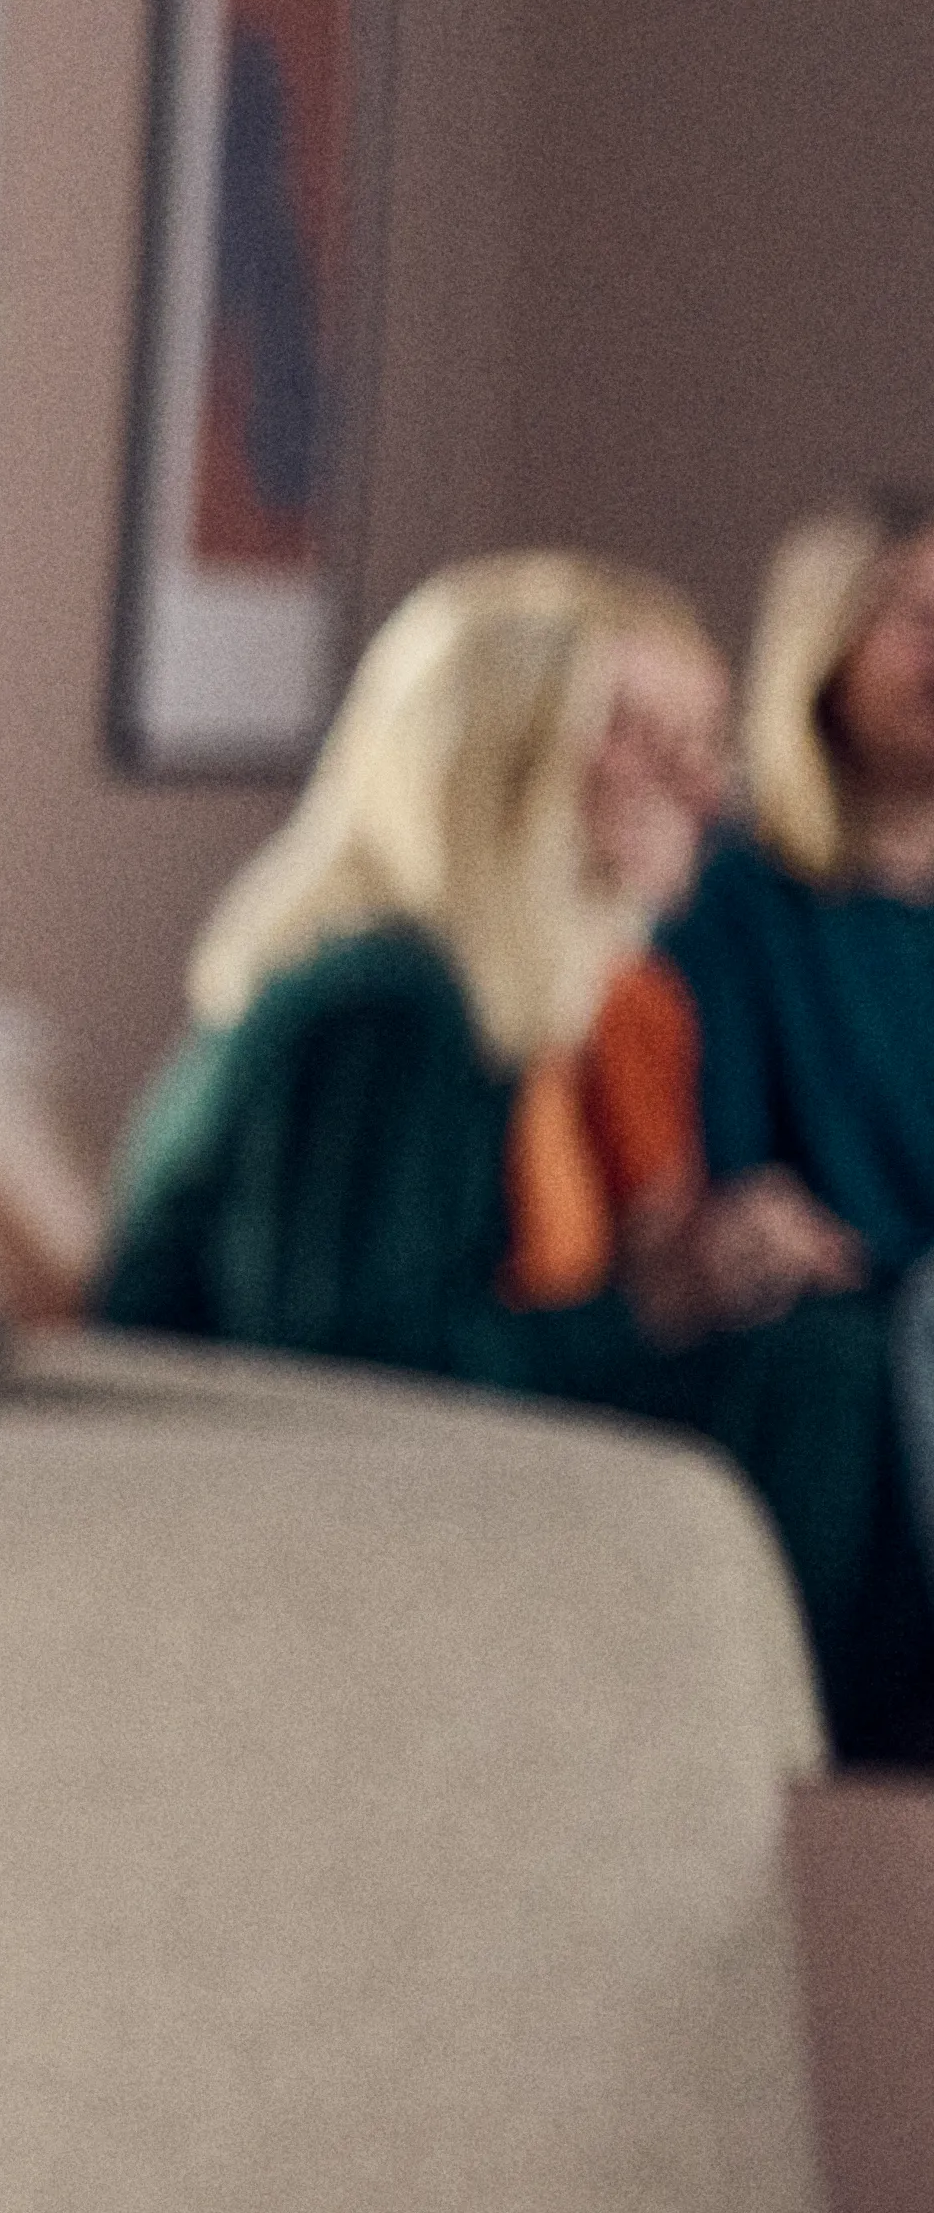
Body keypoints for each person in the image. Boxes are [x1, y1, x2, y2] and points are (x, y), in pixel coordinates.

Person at [100, 546, 918, 1752]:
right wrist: (661, 1303)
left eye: (703, 740)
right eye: (642, 738)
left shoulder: (501, 1012)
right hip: (280, 1514)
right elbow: (345, 1371)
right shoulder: (387, 1002)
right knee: (820, 1374)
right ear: (498, 757)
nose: (702, 786)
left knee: (824, 1354)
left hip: (418, 1478)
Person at [664, 484, 934, 1274]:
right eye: (920, 622)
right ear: (826, 643)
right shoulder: (734, 895)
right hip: (835, 1339)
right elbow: (735, 1185)